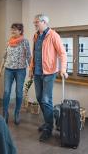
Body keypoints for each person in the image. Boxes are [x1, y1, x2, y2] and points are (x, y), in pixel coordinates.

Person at [29, 14, 68, 142]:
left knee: (46, 99)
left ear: (44, 22)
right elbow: (34, 55)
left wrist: (62, 69)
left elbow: (62, 53)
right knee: (40, 98)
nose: (35, 24)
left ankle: (49, 128)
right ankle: (48, 121)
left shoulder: (53, 35)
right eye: (34, 22)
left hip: (49, 72)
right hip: (37, 72)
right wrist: (31, 70)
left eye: (37, 22)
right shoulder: (35, 36)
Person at [0, 23, 31, 125]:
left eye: (15, 30)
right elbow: (5, 56)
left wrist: (31, 69)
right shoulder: (9, 42)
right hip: (8, 69)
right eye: (12, 29)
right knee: (7, 91)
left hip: (20, 70)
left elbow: (29, 56)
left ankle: (17, 113)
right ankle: (5, 113)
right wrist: (0, 69)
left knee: (18, 92)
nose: (12, 31)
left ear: (20, 31)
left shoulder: (25, 42)